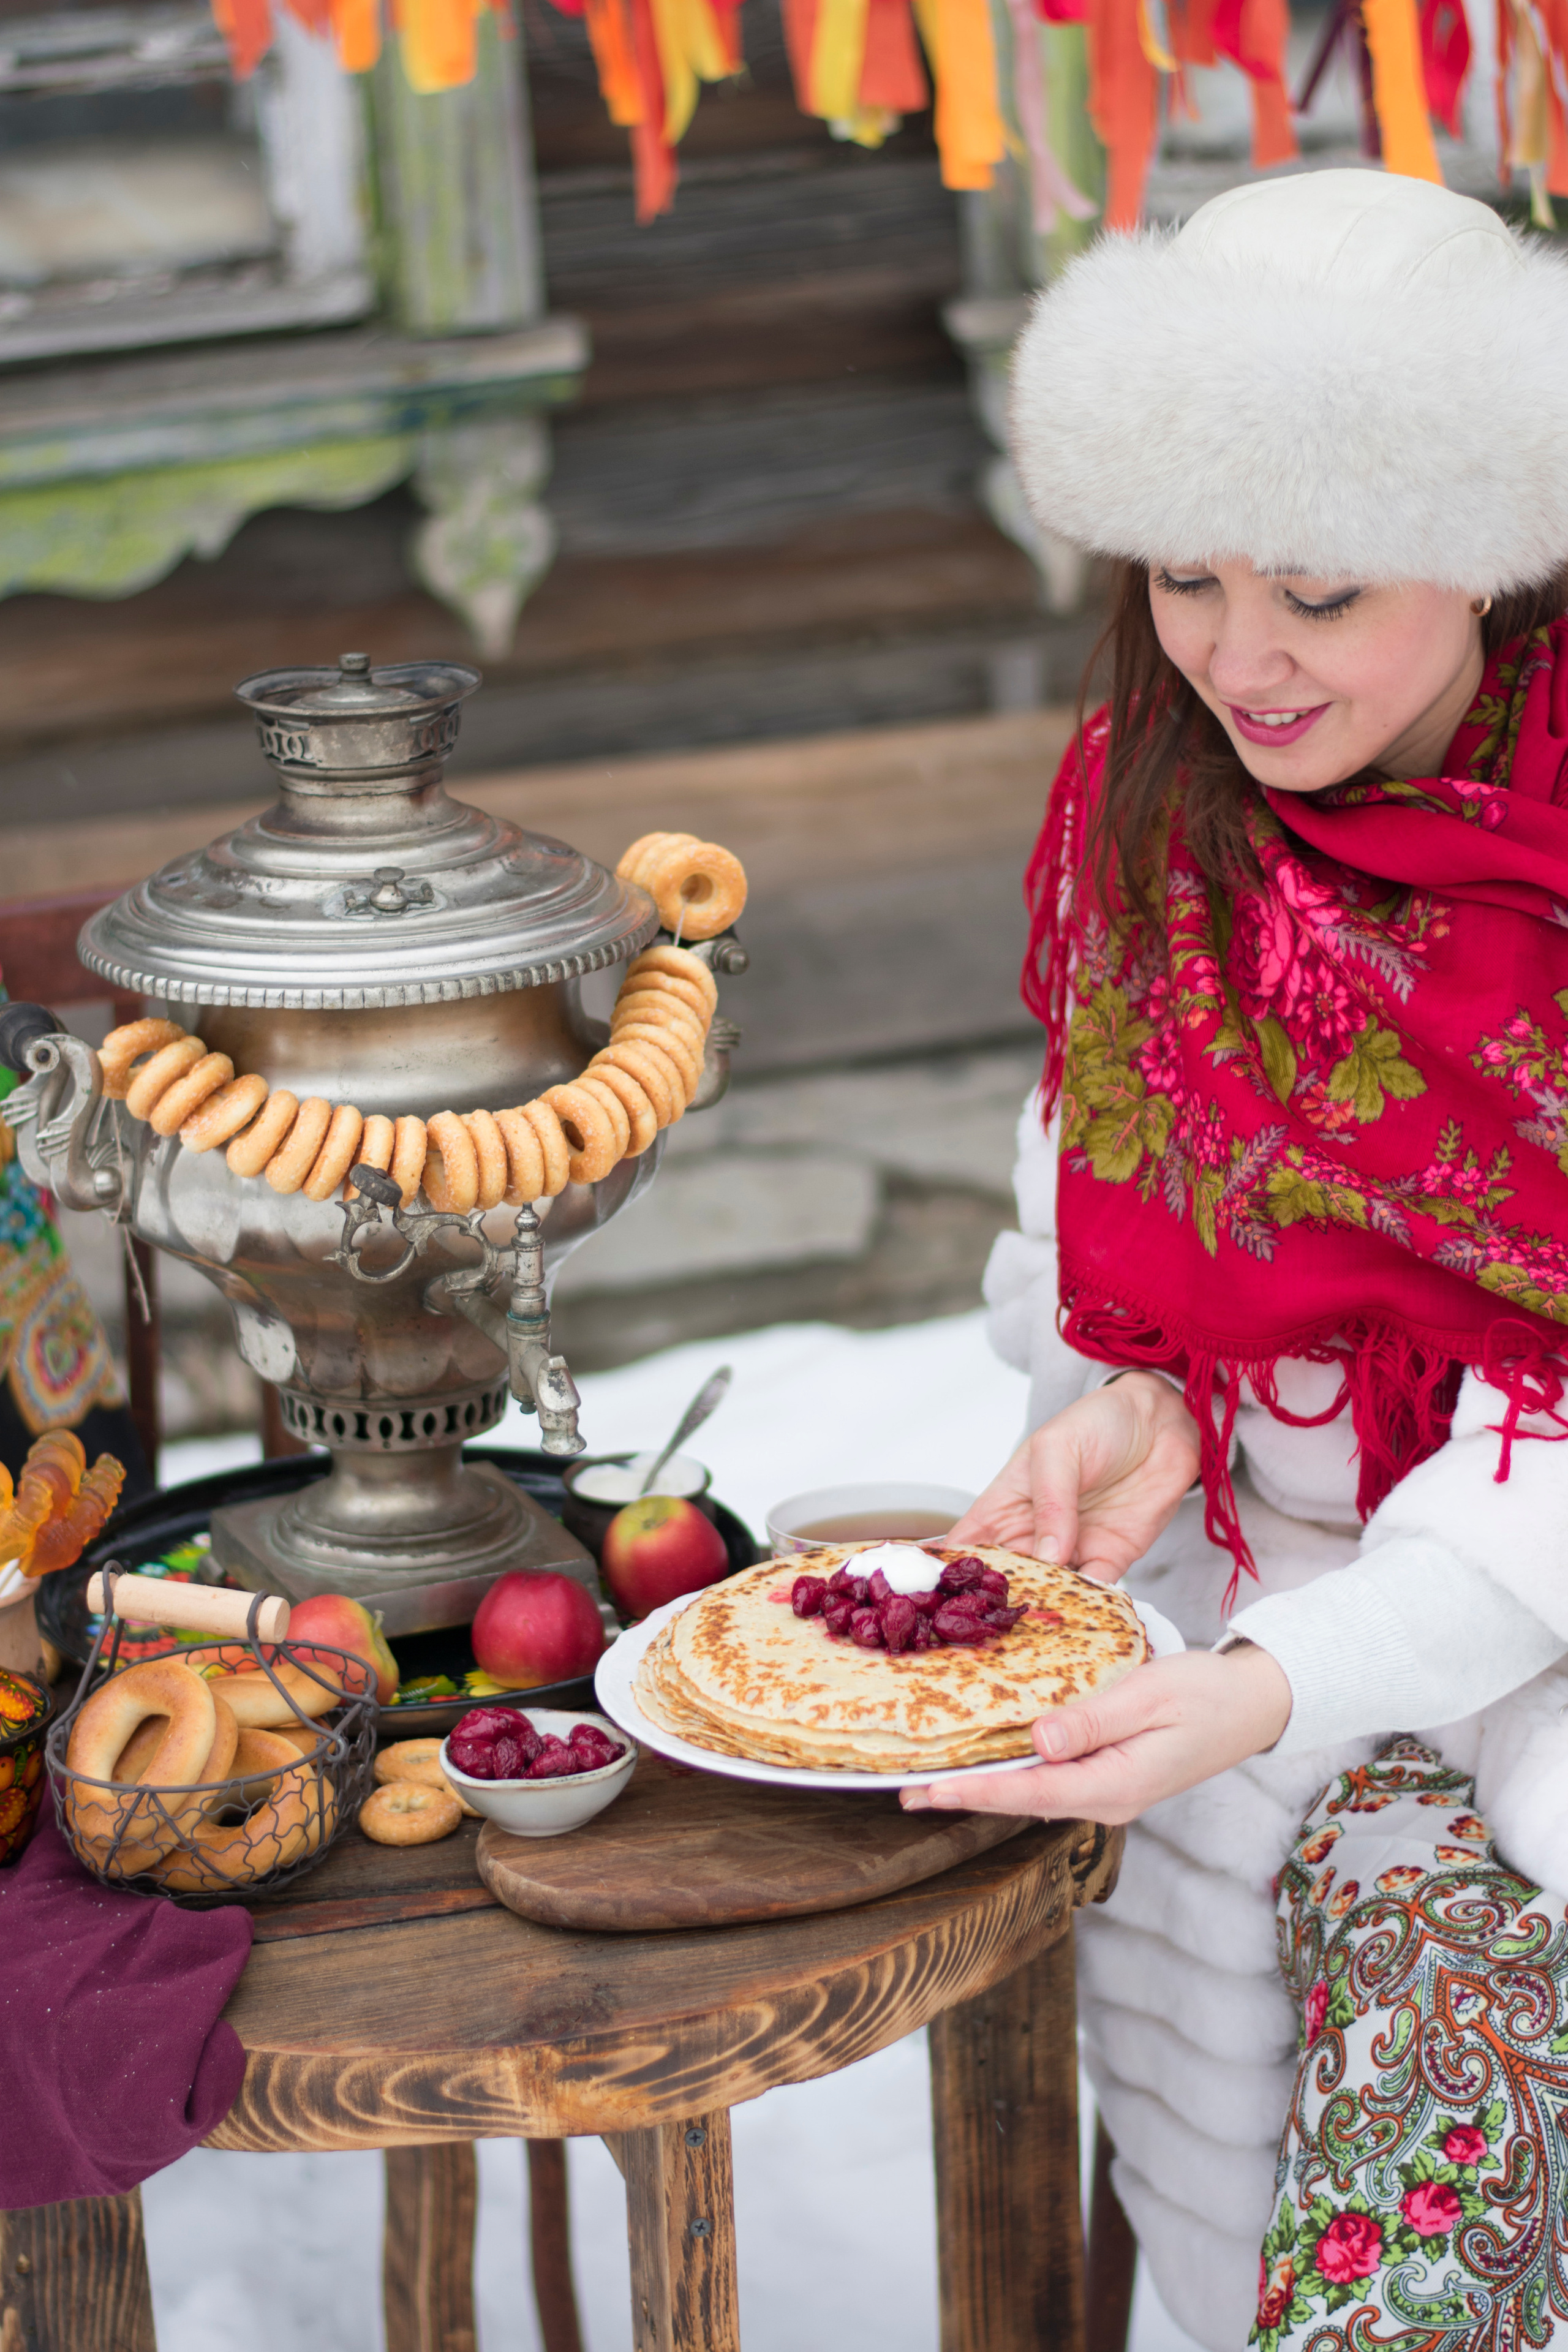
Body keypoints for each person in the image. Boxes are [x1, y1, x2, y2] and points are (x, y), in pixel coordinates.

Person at [902, 170, 1568, 2345]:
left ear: (1492, 550)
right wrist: (1146, 1394)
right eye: (1186, 576)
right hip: (1235, 1652)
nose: (1239, 657)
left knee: (1450, 2003)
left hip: (1513, 1658)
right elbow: (1096, 1214)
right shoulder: (1150, 802)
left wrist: (1279, 1695)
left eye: (1319, 590)